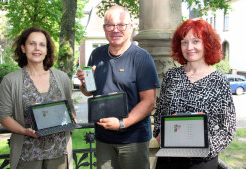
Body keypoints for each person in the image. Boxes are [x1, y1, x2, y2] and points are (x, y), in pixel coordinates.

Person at [77, 5, 160, 169]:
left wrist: (122, 123)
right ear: (104, 28)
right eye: (111, 25)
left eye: (121, 25)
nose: (116, 29)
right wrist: (84, 84)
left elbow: (149, 102)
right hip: (103, 138)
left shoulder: (142, 58)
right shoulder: (96, 55)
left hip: (133, 140)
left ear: (130, 27)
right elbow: (89, 91)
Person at [153, 19, 236, 169]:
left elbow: (228, 129)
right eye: (184, 42)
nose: (189, 47)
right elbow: (160, 112)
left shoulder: (219, 81)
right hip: (169, 159)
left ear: (207, 44)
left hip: (202, 162)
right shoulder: (172, 76)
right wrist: (159, 133)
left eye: (195, 41)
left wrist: (204, 149)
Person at [0, 26, 77, 169]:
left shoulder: (62, 78)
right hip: (27, 155)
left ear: (47, 50)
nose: (37, 48)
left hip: (59, 154)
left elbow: (70, 110)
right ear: (23, 48)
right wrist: (24, 131)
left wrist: (71, 120)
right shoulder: (10, 81)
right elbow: (4, 116)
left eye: (42, 44)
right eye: (31, 43)